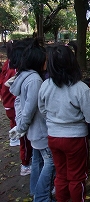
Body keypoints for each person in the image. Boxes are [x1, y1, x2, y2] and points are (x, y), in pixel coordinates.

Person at [38, 45, 90, 202]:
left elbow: (42, 110)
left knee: (61, 175)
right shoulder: (81, 89)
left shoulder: (45, 86)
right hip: (76, 139)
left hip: (53, 137)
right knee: (77, 177)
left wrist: (55, 120)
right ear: (73, 63)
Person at [8, 39, 56, 201]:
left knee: (37, 159)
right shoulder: (35, 79)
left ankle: (35, 190)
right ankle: (42, 197)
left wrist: (22, 126)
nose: (46, 62)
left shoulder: (25, 75)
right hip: (40, 130)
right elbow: (29, 108)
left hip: (33, 130)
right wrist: (21, 126)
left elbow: (19, 102)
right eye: (45, 59)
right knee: (50, 162)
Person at [3, 40, 33, 175]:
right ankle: (25, 164)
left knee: (21, 132)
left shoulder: (9, 66)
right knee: (24, 137)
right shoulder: (16, 72)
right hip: (13, 107)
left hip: (10, 106)